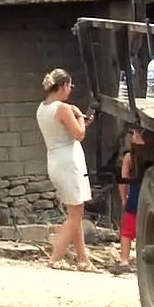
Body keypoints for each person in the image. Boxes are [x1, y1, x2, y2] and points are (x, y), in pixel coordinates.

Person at [36, 68, 95, 271]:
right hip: (69, 161)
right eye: (69, 86)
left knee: (74, 209)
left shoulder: (42, 108)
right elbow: (79, 134)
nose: (70, 90)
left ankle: (83, 259)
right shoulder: (62, 108)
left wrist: (74, 114)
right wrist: (80, 117)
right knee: (76, 212)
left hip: (55, 160)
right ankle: (56, 257)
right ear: (63, 86)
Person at [111, 127, 145, 274]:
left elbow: (123, 180)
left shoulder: (129, 157)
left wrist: (124, 198)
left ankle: (124, 260)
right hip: (150, 195)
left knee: (127, 232)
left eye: (135, 134)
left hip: (135, 197)